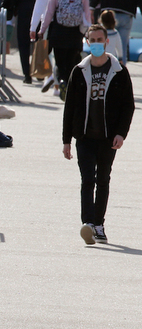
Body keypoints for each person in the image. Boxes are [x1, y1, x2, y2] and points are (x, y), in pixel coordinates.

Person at [62, 24, 134, 245]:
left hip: (107, 137)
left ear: (106, 41)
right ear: (87, 41)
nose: (95, 43)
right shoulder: (79, 71)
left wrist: (121, 134)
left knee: (103, 180)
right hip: (84, 136)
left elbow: (127, 106)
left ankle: (99, 224)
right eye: (91, 39)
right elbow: (70, 107)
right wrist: (66, 140)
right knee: (87, 180)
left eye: (99, 39)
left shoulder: (119, 71)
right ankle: (88, 224)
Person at [39, 0, 92, 100]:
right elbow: (87, 13)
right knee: (72, 63)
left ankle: (62, 81)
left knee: (60, 63)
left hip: (59, 34)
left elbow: (49, 13)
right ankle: (70, 87)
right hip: (75, 35)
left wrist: (42, 30)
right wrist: (89, 31)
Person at [5, 0, 37, 83]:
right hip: (38, 9)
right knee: (38, 42)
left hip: (24, 10)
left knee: (23, 43)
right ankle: (38, 69)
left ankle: (27, 74)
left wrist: (9, 7)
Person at [98, 0, 136, 65]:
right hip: (127, 11)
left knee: (103, 40)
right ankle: (121, 68)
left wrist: (92, 6)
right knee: (122, 44)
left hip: (108, 8)